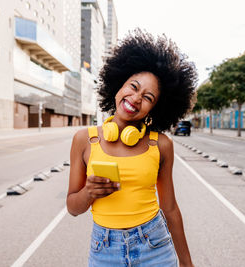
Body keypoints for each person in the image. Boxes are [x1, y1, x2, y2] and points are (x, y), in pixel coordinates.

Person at [66, 29, 198, 267]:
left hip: (155, 247)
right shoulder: (84, 139)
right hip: (104, 250)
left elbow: (169, 208)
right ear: (118, 85)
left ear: (153, 110)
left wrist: (187, 263)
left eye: (148, 97)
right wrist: (89, 192)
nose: (136, 98)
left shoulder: (161, 145)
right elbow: (73, 208)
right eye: (133, 86)